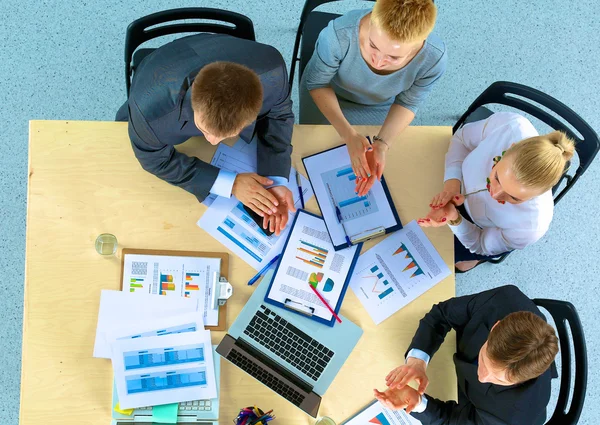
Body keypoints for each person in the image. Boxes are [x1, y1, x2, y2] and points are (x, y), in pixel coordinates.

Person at [116, 34, 295, 235]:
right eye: (205, 130)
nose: (212, 142)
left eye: (225, 135)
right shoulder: (150, 114)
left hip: (215, 50)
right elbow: (154, 160)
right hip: (159, 76)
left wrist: (276, 180)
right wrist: (231, 183)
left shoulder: (274, 73)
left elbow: (279, 117)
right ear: (195, 105)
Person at [300, 0, 446, 196]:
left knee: (392, 171)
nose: (378, 61)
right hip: (327, 92)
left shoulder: (433, 59)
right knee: (313, 153)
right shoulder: (338, 35)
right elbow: (317, 84)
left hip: (380, 105)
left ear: (418, 46)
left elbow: (408, 102)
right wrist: (348, 134)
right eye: (372, 45)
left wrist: (383, 143)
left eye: (393, 58)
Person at [374, 285, 559, 425]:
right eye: (485, 360)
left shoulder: (513, 416)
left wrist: (419, 402)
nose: (482, 376)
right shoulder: (504, 300)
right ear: (495, 327)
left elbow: (454, 421)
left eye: (499, 379)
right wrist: (417, 362)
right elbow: (442, 314)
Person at [418, 112, 575, 271]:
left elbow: (481, 244)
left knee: (450, 259)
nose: (494, 194)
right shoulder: (509, 126)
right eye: (497, 177)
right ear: (509, 148)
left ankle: (468, 262)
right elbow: (461, 139)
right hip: (454, 182)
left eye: (514, 198)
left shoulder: (530, 227)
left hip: (482, 229)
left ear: (539, 194)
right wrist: (451, 186)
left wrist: (455, 219)